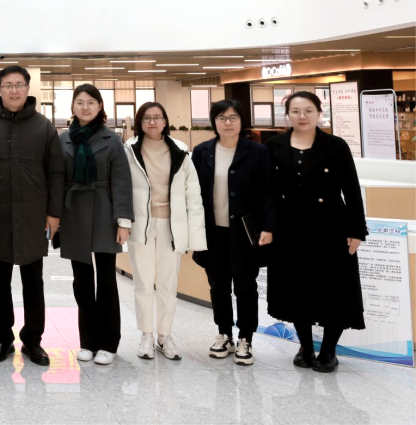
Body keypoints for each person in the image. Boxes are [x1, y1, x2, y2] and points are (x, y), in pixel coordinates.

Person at [0, 65, 65, 366]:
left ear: (27, 88)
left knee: (33, 282)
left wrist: (54, 214)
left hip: (33, 215)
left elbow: (56, 172)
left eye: (19, 84)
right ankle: (3, 340)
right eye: (8, 85)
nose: (14, 90)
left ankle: (33, 341)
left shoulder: (43, 126)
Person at [266, 91, 367, 373]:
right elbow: (268, 191)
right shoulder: (273, 145)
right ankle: (306, 347)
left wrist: (357, 230)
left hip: (330, 228)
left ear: (319, 114)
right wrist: (267, 227)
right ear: (287, 115)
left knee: (334, 290)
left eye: (309, 111)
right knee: (297, 289)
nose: (302, 116)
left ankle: (329, 351)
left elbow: (351, 189)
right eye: (296, 111)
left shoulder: (335, 145)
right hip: (289, 230)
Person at [191, 99, 275, 367]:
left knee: (245, 287)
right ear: (214, 122)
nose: (227, 123)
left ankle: (245, 338)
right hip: (212, 231)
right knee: (218, 287)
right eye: (221, 118)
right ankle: (224, 334)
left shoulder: (258, 152)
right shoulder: (202, 151)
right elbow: (193, 193)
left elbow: (268, 192)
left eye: (233, 117)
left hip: (245, 232)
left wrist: (268, 227)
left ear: (241, 121)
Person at [124, 102, 207, 361]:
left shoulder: (180, 150)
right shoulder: (129, 150)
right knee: (143, 283)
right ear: (140, 122)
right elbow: (122, 189)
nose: (152, 122)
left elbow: (193, 194)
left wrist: (195, 235)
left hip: (172, 225)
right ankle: (146, 335)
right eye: (147, 118)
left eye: (157, 117)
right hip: (141, 225)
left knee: (168, 285)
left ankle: (165, 336)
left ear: (164, 121)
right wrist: (123, 223)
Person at [59, 84, 134, 366]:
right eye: (80, 102)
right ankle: (87, 341)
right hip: (74, 212)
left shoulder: (112, 139)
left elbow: (122, 181)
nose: (85, 107)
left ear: (100, 106)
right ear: (73, 106)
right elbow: (57, 178)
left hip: (105, 211)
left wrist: (123, 220)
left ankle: (109, 342)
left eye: (91, 102)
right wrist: (54, 216)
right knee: (81, 281)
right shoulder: (63, 139)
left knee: (106, 280)